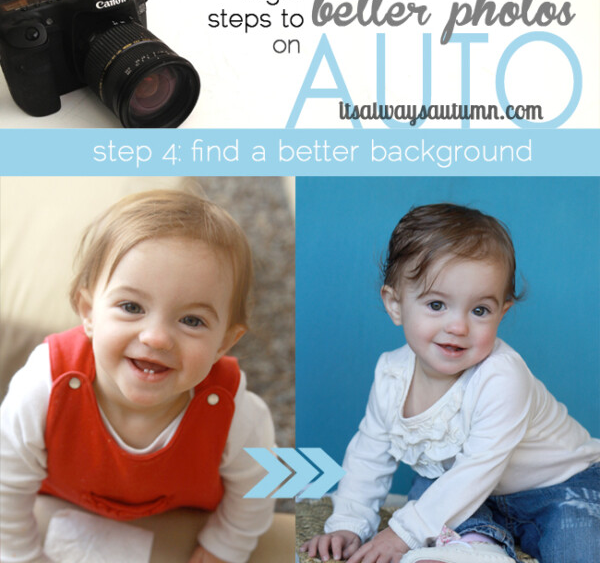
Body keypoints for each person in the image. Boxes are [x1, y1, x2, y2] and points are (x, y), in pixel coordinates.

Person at [301, 203, 600, 563]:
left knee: (579, 540)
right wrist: (348, 523)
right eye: (437, 304)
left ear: (501, 313)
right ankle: (477, 548)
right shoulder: (391, 375)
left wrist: (402, 534)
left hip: (559, 487)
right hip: (473, 492)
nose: (458, 327)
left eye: (479, 311)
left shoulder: (502, 376)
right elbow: (370, 454)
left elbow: (478, 469)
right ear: (395, 304)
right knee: (428, 491)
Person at [1, 189, 275, 563]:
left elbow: (257, 486)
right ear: (88, 313)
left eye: (192, 320)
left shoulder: (232, 410)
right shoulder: (45, 384)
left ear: (225, 341)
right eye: (131, 307)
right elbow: (6, 482)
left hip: (183, 519)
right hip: (58, 504)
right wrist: (22, 555)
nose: (157, 337)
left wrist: (224, 547)